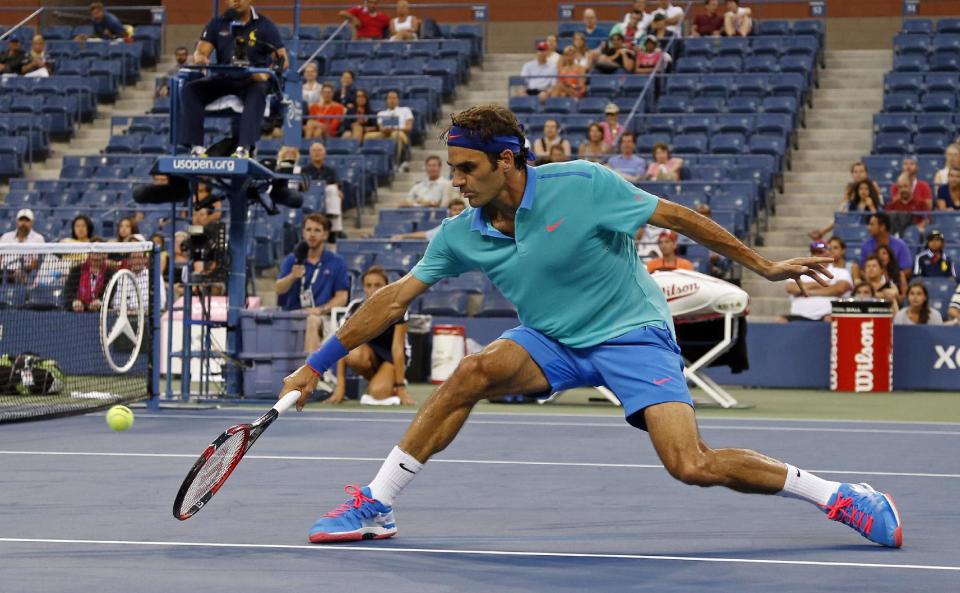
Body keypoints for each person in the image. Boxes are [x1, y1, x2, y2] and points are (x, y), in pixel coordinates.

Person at [279, 104, 902, 549]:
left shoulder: (583, 184)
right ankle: (376, 504)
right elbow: (391, 300)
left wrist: (764, 265)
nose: (457, 181)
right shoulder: (460, 232)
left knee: (690, 463)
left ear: (507, 161)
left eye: (467, 169)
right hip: (551, 339)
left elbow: (680, 217)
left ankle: (839, 495)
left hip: (631, 330)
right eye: (453, 168)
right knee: (471, 372)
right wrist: (316, 364)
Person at [178, 0, 288, 159]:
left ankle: (243, 148)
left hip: (251, 80)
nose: (235, 0)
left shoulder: (265, 25)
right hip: (224, 78)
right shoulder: (217, 23)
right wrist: (200, 58)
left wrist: (265, 74)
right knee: (190, 90)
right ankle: (196, 148)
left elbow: (282, 59)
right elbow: (201, 51)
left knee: (258, 92)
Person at [326, 266, 412, 406]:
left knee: (379, 393)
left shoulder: (398, 307)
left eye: (378, 285)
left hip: (391, 358)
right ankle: (381, 381)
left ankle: (390, 382)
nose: (373, 289)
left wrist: (401, 386)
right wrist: (340, 387)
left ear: (386, 286)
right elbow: (343, 343)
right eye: (368, 285)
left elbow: (397, 349)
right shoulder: (354, 307)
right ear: (363, 288)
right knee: (353, 354)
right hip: (368, 354)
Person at [276, 214, 350, 352]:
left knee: (312, 320)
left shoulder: (336, 262)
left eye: (317, 230)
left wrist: (320, 310)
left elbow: (342, 297)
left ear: (325, 235)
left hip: (322, 316)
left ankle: (311, 372)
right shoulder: (291, 260)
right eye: (308, 229)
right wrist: (292, 276)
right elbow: (279, 289)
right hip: (293, 315)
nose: (312, 234)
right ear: (303, 233)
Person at [781, 241, 853, 322]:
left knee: (829, 319)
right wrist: (822, 284)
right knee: (781, 320)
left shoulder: (841, 272)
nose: (816, 255)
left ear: (829, 254)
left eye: (820, 252)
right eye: (814, 252)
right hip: (799, 315)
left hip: (827, 315)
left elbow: (839, 289)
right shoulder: (799, 271)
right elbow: (791, 288)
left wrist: (806, 292)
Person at [810, 162, 884, 240]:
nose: (858, 174)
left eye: (861, 171)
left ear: (866, 173)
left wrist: (871, 206)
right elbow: (842, 210)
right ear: (852, 174)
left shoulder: (874, 187)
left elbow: (880, 210)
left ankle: (823, 231)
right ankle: (823, 232)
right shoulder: (849, 190)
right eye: (856, 172)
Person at [301, 142, 345, 237]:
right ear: (310, 154)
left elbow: (337, 185)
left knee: (334, 189)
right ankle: (334, 226)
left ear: (325, 153)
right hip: (310, 198)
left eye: (320, 150)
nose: (317, 153)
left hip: (327, 200)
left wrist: (337, 190)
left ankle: (334, 225)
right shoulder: (304, 171)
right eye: (314, 151)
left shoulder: (330, 170)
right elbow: (301, 188)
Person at [365, 90, 414, 165]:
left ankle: (395, 162)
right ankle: (369, 162)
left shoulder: (405, 110)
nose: (392, 100)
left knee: (395, 134)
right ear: (386, 100)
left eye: (394, 98)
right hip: (385, 133)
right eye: (390, 98)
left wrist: (395, 129)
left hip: (401, 133)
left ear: (398, 100)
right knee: (368, 136)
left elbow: (408, 128)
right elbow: (381, 128)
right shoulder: (381, 113)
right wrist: (386, 130)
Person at [63, 243, 113, 313]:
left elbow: (111, 293)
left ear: (105, 255)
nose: (95, 257)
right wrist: (74, 301)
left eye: (99, 253)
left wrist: (100, 301)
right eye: (93, 253)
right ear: (88, 254)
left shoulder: (111, 273)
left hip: (101, 313)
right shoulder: (76, 270)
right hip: (77, 312)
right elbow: (68, 291)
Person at [0, 209, 45, 283]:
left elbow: (36, 262)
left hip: (25, 273)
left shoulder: (38, 239)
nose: (23, 223)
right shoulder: (6, 237)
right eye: (21, 220)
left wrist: (22, 270)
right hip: (3, 272)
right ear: (17, 221)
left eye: (27, 220)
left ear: (32, 222)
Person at [391, 198, 467, 241]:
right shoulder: (445, 228)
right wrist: (403, 236)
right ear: (449, 212)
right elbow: (426, 234)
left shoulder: (471, 225)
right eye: (455, 210)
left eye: (460, 210)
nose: (458, 212)